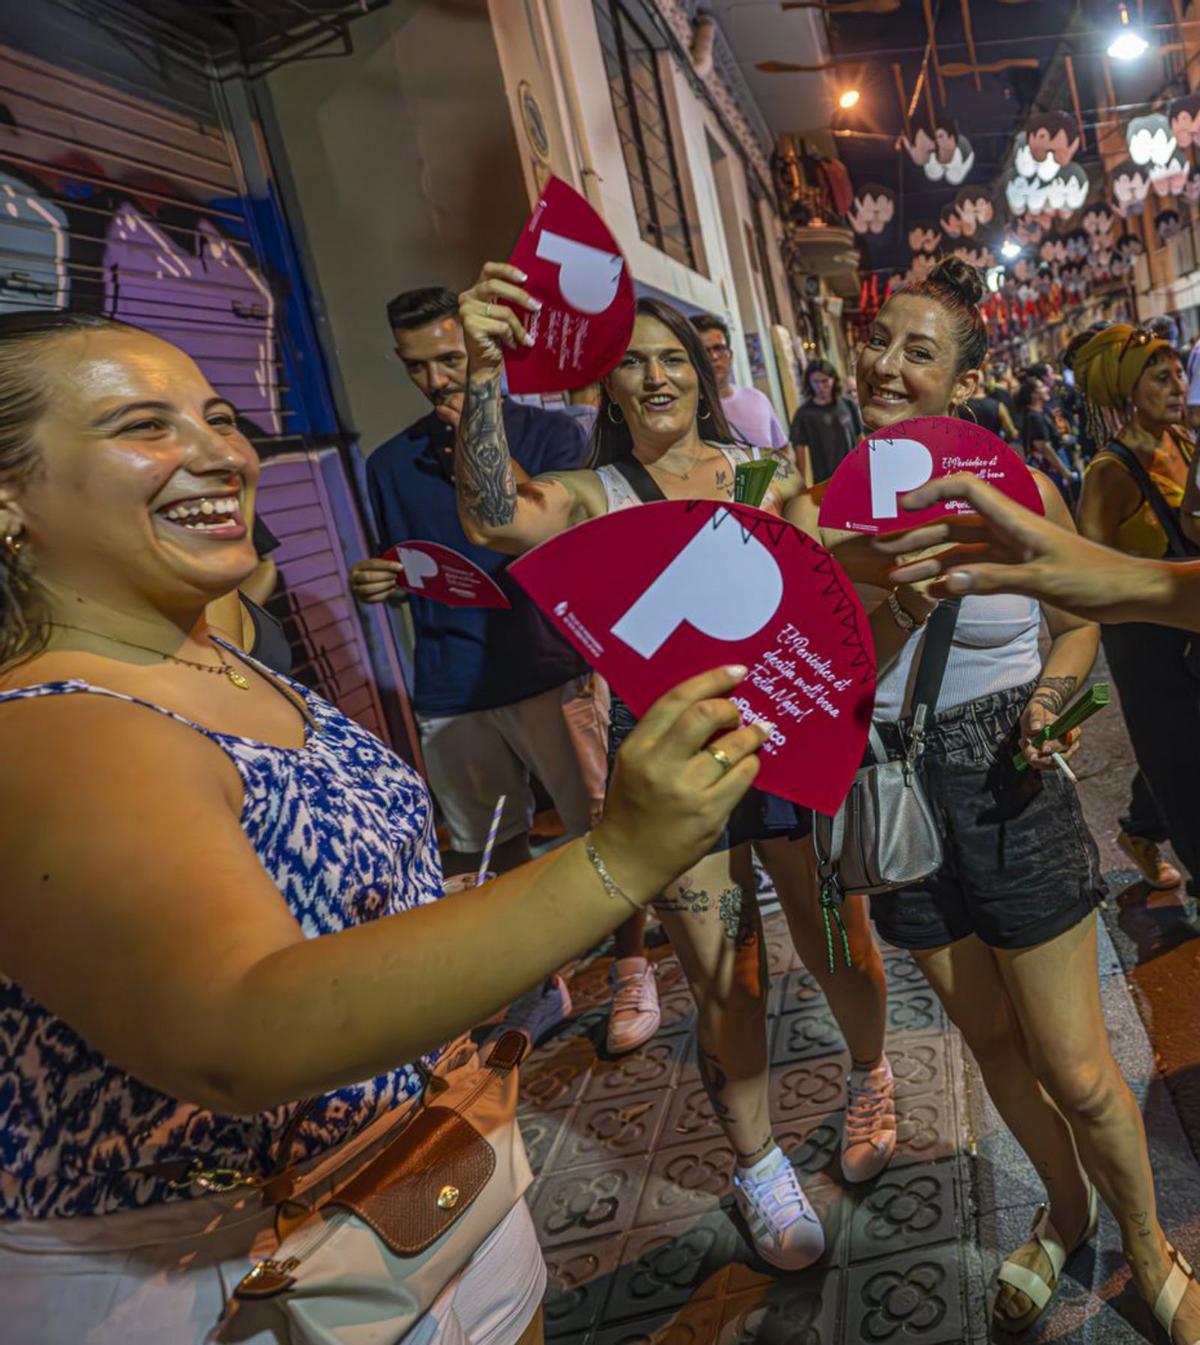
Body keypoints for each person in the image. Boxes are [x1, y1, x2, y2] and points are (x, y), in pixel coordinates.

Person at [0, 309, 772, 1344]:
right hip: (235, 1274)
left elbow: (340, 912)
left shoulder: (213, 650)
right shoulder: (54, 729)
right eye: (144, 426)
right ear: (10, 498)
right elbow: (241, 1026)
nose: (216, 451)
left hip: (422, 1195)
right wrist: (615, 855)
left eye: (219, 416)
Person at [446, 260, 941, 1271]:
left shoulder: (760, 471)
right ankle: (758, 1167)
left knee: (838, 936)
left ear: (702, 375)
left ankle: (868, 1072)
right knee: (728, 973)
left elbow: (828, 577)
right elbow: (494, 518)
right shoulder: (591, 492)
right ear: (608, 387)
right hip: (671, 758)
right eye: (634, 363)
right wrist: (483, 374)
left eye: (674, 358)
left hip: (783, 737)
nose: (657, 376)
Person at [859, 272, 1200, 1345]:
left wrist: (1051, 704)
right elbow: (805, 668)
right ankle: (1064, 1213)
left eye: (920, 351)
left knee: (1079, 1065)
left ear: (963, 380)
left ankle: (1151, 1251)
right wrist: (875, 602)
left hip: (1007, 778)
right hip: (897, 788)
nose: (887, 364)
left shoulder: (1023, 493)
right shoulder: (815, 503)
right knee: (992, 1043)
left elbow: (1077, 625)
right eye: (878, 341)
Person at [349, 286, 657, 1052]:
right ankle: (534, 982)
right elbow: (407, 559)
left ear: (485, 349)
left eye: (451, 358)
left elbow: (558, 536)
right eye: (419, 367)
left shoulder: (553, 436)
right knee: (489, 845)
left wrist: (479, 443)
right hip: (452, 679)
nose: (436, 380)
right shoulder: (389, 462)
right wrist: (377, 580)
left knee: (599, 829)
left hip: (552, 663)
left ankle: (631, 966)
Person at [1073, 325, 1197, 893]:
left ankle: (1140, 826)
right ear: (1127, 388)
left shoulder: (1186, 444)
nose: (1178, 386)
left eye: (1180, 374)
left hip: (1191, 622)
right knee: (1180, 760)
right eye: (1161, 376)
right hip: (1148, 646)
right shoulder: (1110, 472)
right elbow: (1084, 571)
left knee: (1179, 751)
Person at [689, 312, 789, 451]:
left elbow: (783, 448)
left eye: (719, 348)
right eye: (704, 351)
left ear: (730, 355)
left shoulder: (757, 399)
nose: (713, 356)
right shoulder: (689, 411)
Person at [788, 358, 864, 485]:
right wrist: (802, 486)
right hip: (824, 482)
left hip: (853, 475)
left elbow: (860, 439)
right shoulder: (804, 414)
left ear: (833, 379)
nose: (820, 387)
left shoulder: (848, 405)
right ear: (809, 383)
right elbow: (799, 452)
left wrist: (866, 469)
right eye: (815, 382)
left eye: (825, 381)